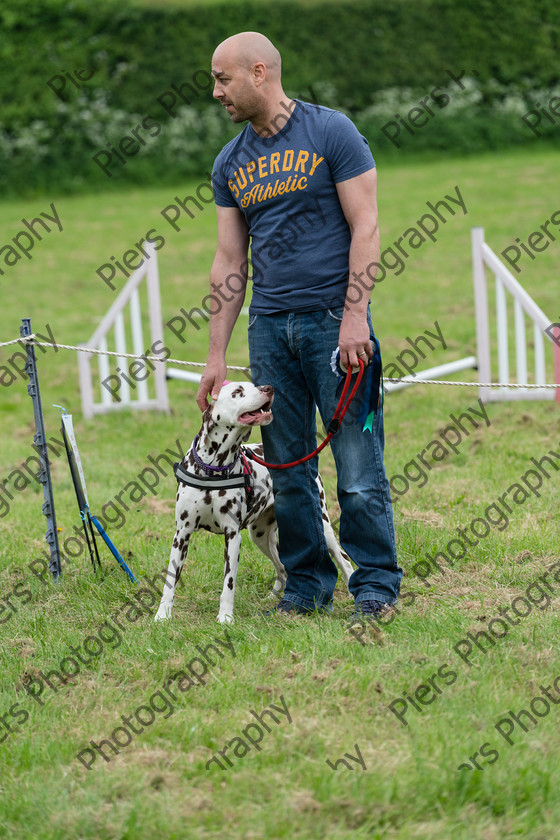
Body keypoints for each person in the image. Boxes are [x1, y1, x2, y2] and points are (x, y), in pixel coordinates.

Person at [197, 31, 402, 619]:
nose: (216, 92)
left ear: (259, 72)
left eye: (223, 78)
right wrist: (216, 357)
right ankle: (306, 585)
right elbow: (229, 262)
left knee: (359, 467)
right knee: (287, 469)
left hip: (335, 325)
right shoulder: (230, 162)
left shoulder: (330, 132)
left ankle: (375, 585)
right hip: (270, 330)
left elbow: (366, 227)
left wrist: (356, 316)